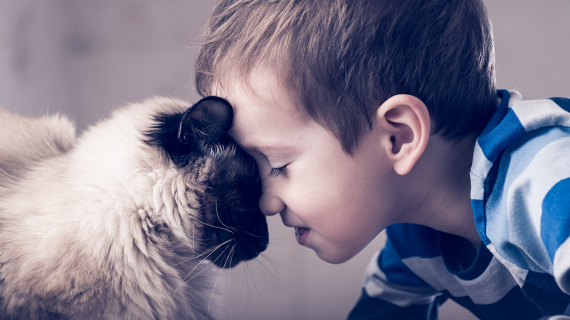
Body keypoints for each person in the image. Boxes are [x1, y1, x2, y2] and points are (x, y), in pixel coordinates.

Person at [194, 0, 570, 319]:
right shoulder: (415, 244)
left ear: (399, 137)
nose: (265, 202)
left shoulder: (543, 174)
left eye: (277, 164)